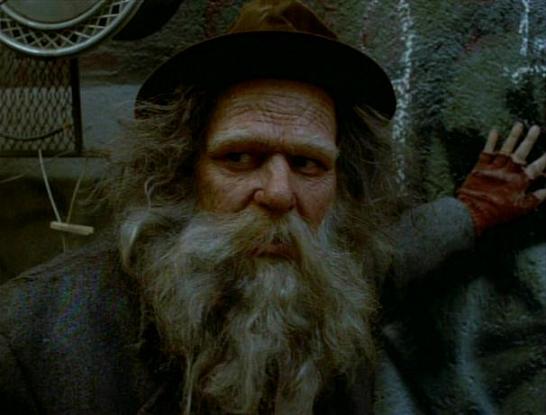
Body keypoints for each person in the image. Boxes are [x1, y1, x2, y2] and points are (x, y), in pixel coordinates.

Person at [0, 1, 545, 414]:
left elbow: (393, 259)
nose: (279, 193)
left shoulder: (328, 281)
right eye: (240, 157)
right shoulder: (33, 339)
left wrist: (473, 209)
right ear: (182, 174)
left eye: (308, 164)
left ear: (339, 187)